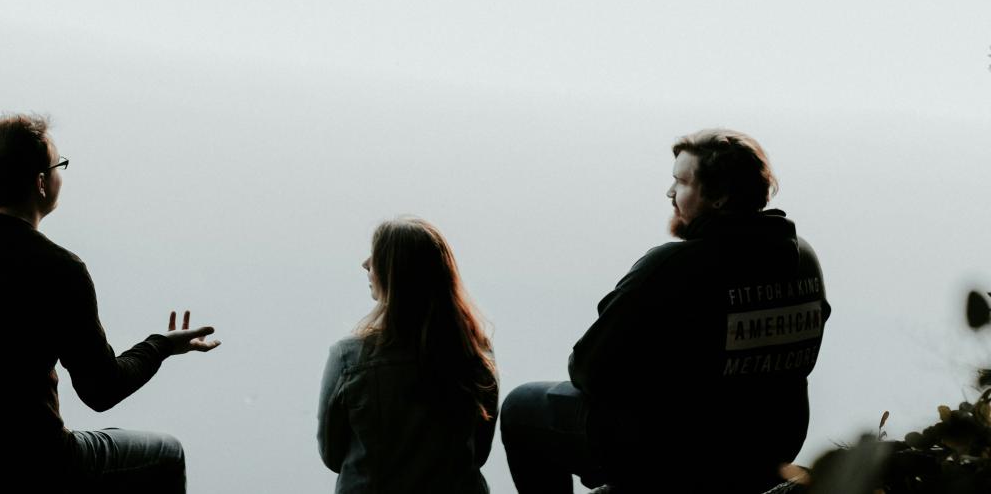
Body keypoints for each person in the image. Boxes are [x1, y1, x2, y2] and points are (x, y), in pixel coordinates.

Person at [500, 129, 830, 494]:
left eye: (681, 181)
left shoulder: (674, 266)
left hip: (685, 454)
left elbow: (587, 368)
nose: (670, 193)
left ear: (719, 196)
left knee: (521, 407)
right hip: (769, 447)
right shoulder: (803, 258)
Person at [0, 114, 221, 493]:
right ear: (41, 183)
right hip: (34, 466)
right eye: (60, 165)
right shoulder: (59, 268)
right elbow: (101, 391)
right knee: (167, 453)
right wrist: (164, 345)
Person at [317, 217, 499, 493]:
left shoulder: (349, 357)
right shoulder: (476, 352)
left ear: (395, 274)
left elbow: (331, 455)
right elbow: (479, 453)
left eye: (376, 256)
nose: (365, 263)